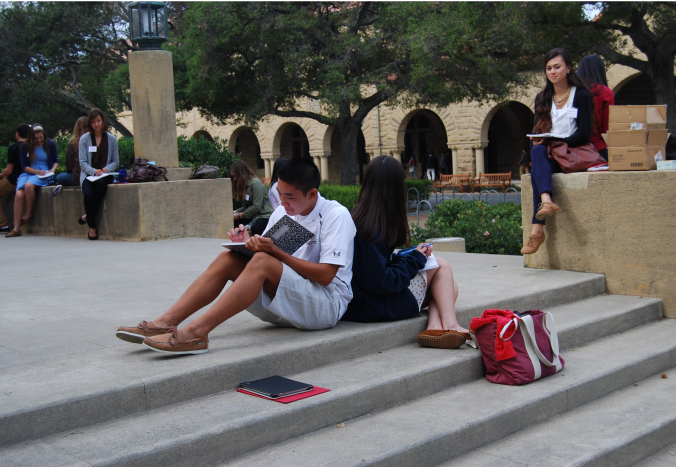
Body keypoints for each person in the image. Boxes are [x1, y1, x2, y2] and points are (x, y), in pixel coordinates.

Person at [115, 157, 357, 355]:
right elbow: (275, 258)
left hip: (325, 305)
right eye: (279, 194)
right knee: (229, 259)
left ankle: (195, 334)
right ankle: (165, 322)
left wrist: (274, 252)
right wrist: (247, 246)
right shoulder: (285, 211)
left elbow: (326, 276)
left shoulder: (336, 215)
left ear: (312, 194)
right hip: (290, 301)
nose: (282, 203)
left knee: (264, 261)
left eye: (290, 197)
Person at [341, 155, 468, 348]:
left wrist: (407, 256)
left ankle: (434, 327)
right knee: (441, 265)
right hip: (375, 306)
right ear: (395, 187)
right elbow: (380, 281)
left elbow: (374, 267)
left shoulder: (362, 216)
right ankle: (451, 325)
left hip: (369, 304)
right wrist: (415, 259)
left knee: (451, 287)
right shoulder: (369, 227)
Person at [522, 48, 595, 255]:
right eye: (548, 68)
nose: (552, 72)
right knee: (536, 153)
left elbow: (584, 133)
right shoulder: (542, 97)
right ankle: (546, 202)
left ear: (568, 68)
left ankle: (537, 230)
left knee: (537, 170)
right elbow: (537, 130)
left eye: (557, 67)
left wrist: (559, 143)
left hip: (571, 153)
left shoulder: (580, 95)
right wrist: (540, 140)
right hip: (549, 155)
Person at [6, 124, 59, 238]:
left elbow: (55, 161)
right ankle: (16, 228)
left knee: (29, 186)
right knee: (19, 194)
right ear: (31, 137)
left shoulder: (50, 144)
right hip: (30, 171)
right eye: (36, 138)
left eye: (40, 138)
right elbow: (24, 166)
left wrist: (52, 170)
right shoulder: (25, 146)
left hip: (44, 172)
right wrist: (36, 172)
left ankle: (28, 214)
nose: (39, 140)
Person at [79, 108, 119, 240]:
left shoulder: (112, 139)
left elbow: (115, 161)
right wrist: (93, 171)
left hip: (104, 176)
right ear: (90, 123)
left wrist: (107, 168)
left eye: (99, 121)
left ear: (103, 121)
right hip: (88, 175)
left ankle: (90, 224)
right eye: (93, 122)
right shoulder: (84, 139)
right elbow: (82, 162)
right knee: (89, 194)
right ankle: (91, 222)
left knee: (101, 185)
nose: (96, 124)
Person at [577, 54, 614, 161]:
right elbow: (606, 128)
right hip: (597, 148)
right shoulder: (605, 92)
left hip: (573, 149)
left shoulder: (572, 91)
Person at [231, 161, 274, 236]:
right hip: (253, 216)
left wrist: (239, 215)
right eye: (232, 177)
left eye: (234, 176)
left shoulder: (255, 183)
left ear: (241, 173)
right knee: (233, 222)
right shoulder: (243, 186)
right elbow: (246, 207)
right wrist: (235, 212)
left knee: (256, 227)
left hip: (264, 215)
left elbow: (256, 206)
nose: (234, 179)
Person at [0, 123, 30, 233]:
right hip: (28, 178)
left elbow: (9, 170)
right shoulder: (32, 146)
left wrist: (1, 176)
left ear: (17, 134)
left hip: (14, 180)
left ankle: (2, 224)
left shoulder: (14, 148)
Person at [56, 117, 87, 187]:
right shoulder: (93, 141)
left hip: (77, 176)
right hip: (90, 174)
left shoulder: (74, 143)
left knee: (59, 177)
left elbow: (69, 166)